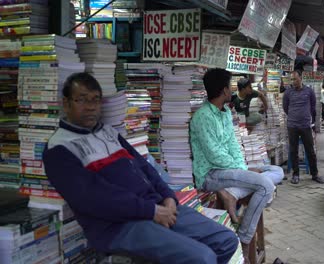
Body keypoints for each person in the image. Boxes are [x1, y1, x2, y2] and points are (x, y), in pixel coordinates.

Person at [43, 72, 238, 264]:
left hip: (155, 207)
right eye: (82, 100)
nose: (91, 107)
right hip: (118, 226)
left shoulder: (107, 132)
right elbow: (96, 199)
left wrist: (168, 197)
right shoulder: (59, 148)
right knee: (203, 258)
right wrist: (151, 211)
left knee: (226, 240)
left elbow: (145, 168)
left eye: (95, 100)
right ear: (66, 103)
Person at [190, 68, 275, 263]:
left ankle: (230, 194)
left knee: (274, 171)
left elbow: (232, 145)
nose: (231, 90)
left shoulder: (225, 113)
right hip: (211, 174)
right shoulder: (203, 117)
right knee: (266, 185)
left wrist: (242, 167)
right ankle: (245, 237)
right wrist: (243, 170)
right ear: (223, 90)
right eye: (229, 86)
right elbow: (214, 154)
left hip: (228, 171)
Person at [282, 69, 324, 184]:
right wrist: (294, 115)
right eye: (291, 79)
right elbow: (285, 108)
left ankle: (315, 174)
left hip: (305, 125)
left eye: (295, 79)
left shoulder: (309, 91)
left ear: (301, 78)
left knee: (310, 150)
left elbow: (313, 108)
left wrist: (313, 123)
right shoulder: (288, 92)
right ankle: (296, 175)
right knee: (293, 150)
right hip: (292, 125)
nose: (293, 81)